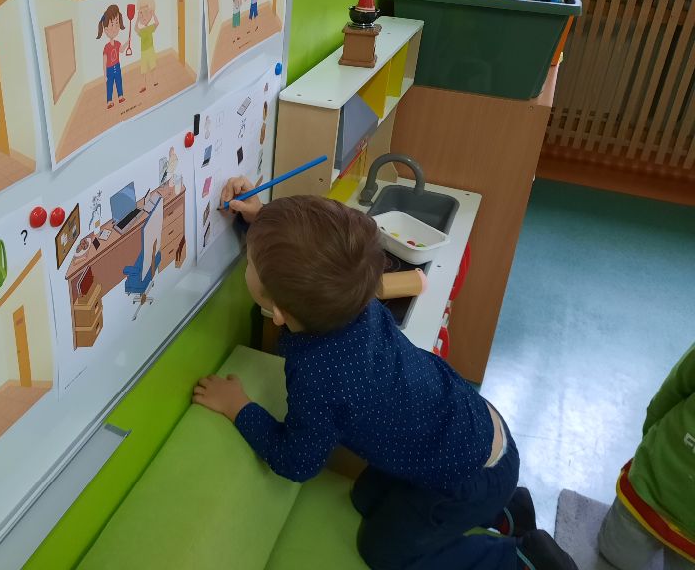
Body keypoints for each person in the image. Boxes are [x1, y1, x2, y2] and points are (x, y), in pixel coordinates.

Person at [192, 178, 578, 570]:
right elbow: (311, 263)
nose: (248, 260)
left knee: (383, 552)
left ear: (277, 311)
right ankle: (509, 511)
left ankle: (520, 558)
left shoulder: (319, 376)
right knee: (366, 499)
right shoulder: (351, 296)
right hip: (477, 427)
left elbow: (297, 462)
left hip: (468, 476)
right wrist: (264, 220)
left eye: (251, 261)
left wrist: (239, 407)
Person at [597, 342, 695, 569]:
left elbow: (672, 390)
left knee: (615, 557)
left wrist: (649, 436)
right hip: (651, 487)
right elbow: (675, 388)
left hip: (652, 480)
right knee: (614, 556)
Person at [97, 4, 126, 109]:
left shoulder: (117, 43)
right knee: (109, 85)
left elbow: (121, 50)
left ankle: (120, 96)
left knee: (119, 82)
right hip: (109, 69)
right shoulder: (106, 47)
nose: (115, 28)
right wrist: (105, 75)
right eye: (112, 24)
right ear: (105, 29)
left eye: (116, 23)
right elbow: (104, 62)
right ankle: (109, 101)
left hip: (117, 66)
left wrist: (127, 43)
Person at [134, 0, 159, 93]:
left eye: (146, 12)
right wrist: (137, 19)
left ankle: (154, 81)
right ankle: (144, 85)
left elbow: (157, 23)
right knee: (143, 70)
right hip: (144, 52)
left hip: (150, 50)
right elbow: (135, 28)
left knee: (153, 67)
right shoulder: (142, 31)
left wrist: (154, 14)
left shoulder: (150, 28)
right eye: (141, 13)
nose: (144, 16)